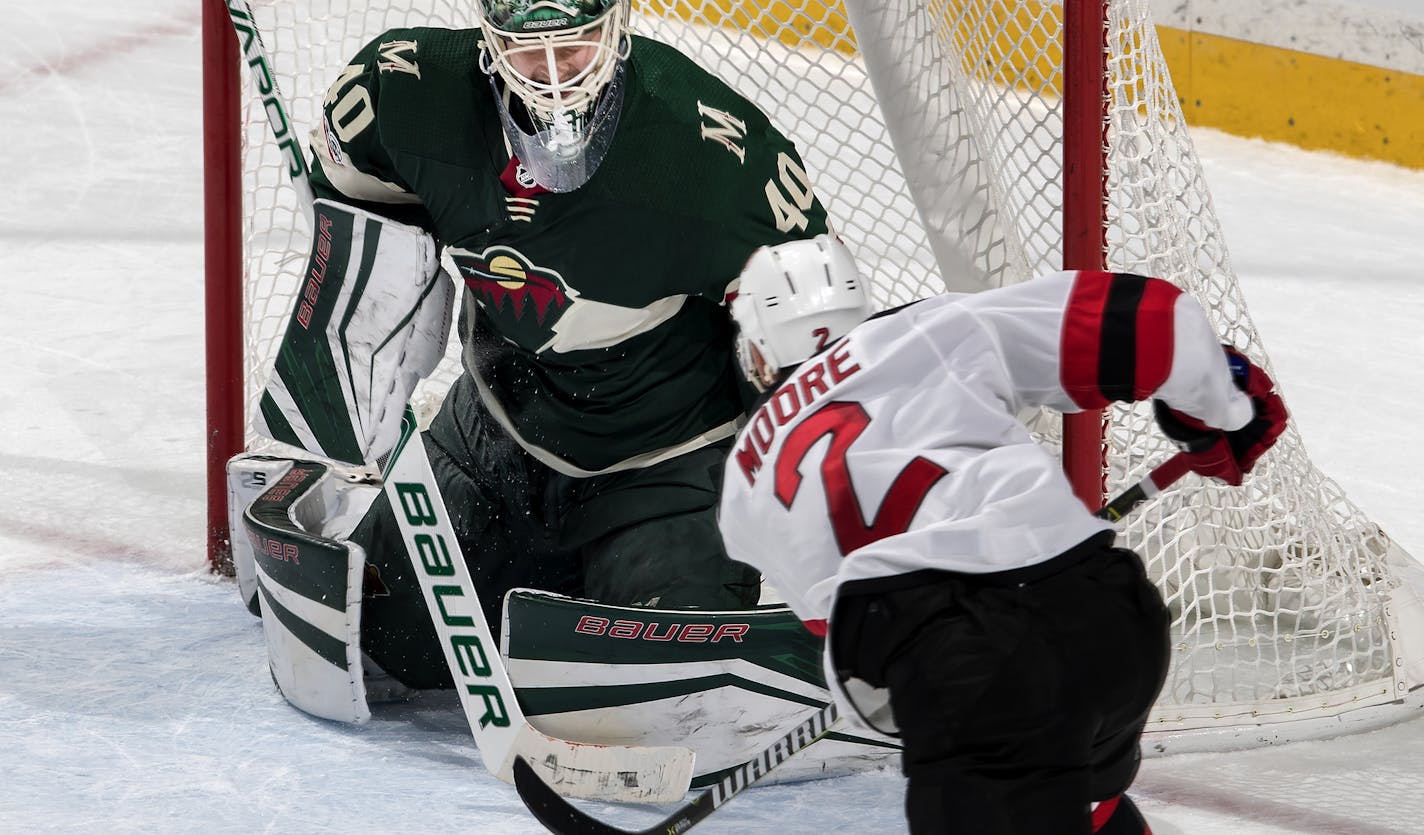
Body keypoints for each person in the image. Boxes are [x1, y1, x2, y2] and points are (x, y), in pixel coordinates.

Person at [302, 0, 831, 690]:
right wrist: (347, 393)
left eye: (577, 43)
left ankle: (622, 568)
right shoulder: (405, 91)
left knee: (655, 691)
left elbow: (813, 335)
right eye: (529, 48)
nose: (555, 73)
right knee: (382, 635)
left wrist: (818, 536)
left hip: (664, 462)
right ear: (491, 38)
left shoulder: (710, 153)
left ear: (618, 25)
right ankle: (553, 570)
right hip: (497, 433)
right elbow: (353, 220)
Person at [717, 235, 1288, 834]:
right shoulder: (930, 328)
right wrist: (1218, 411)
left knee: (1028, 764)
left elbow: (837, 633)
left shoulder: (744, 485)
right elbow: (1154, 322)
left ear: (757, 355)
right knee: (1086, 800)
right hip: (1109, 616)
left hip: (966, 667)